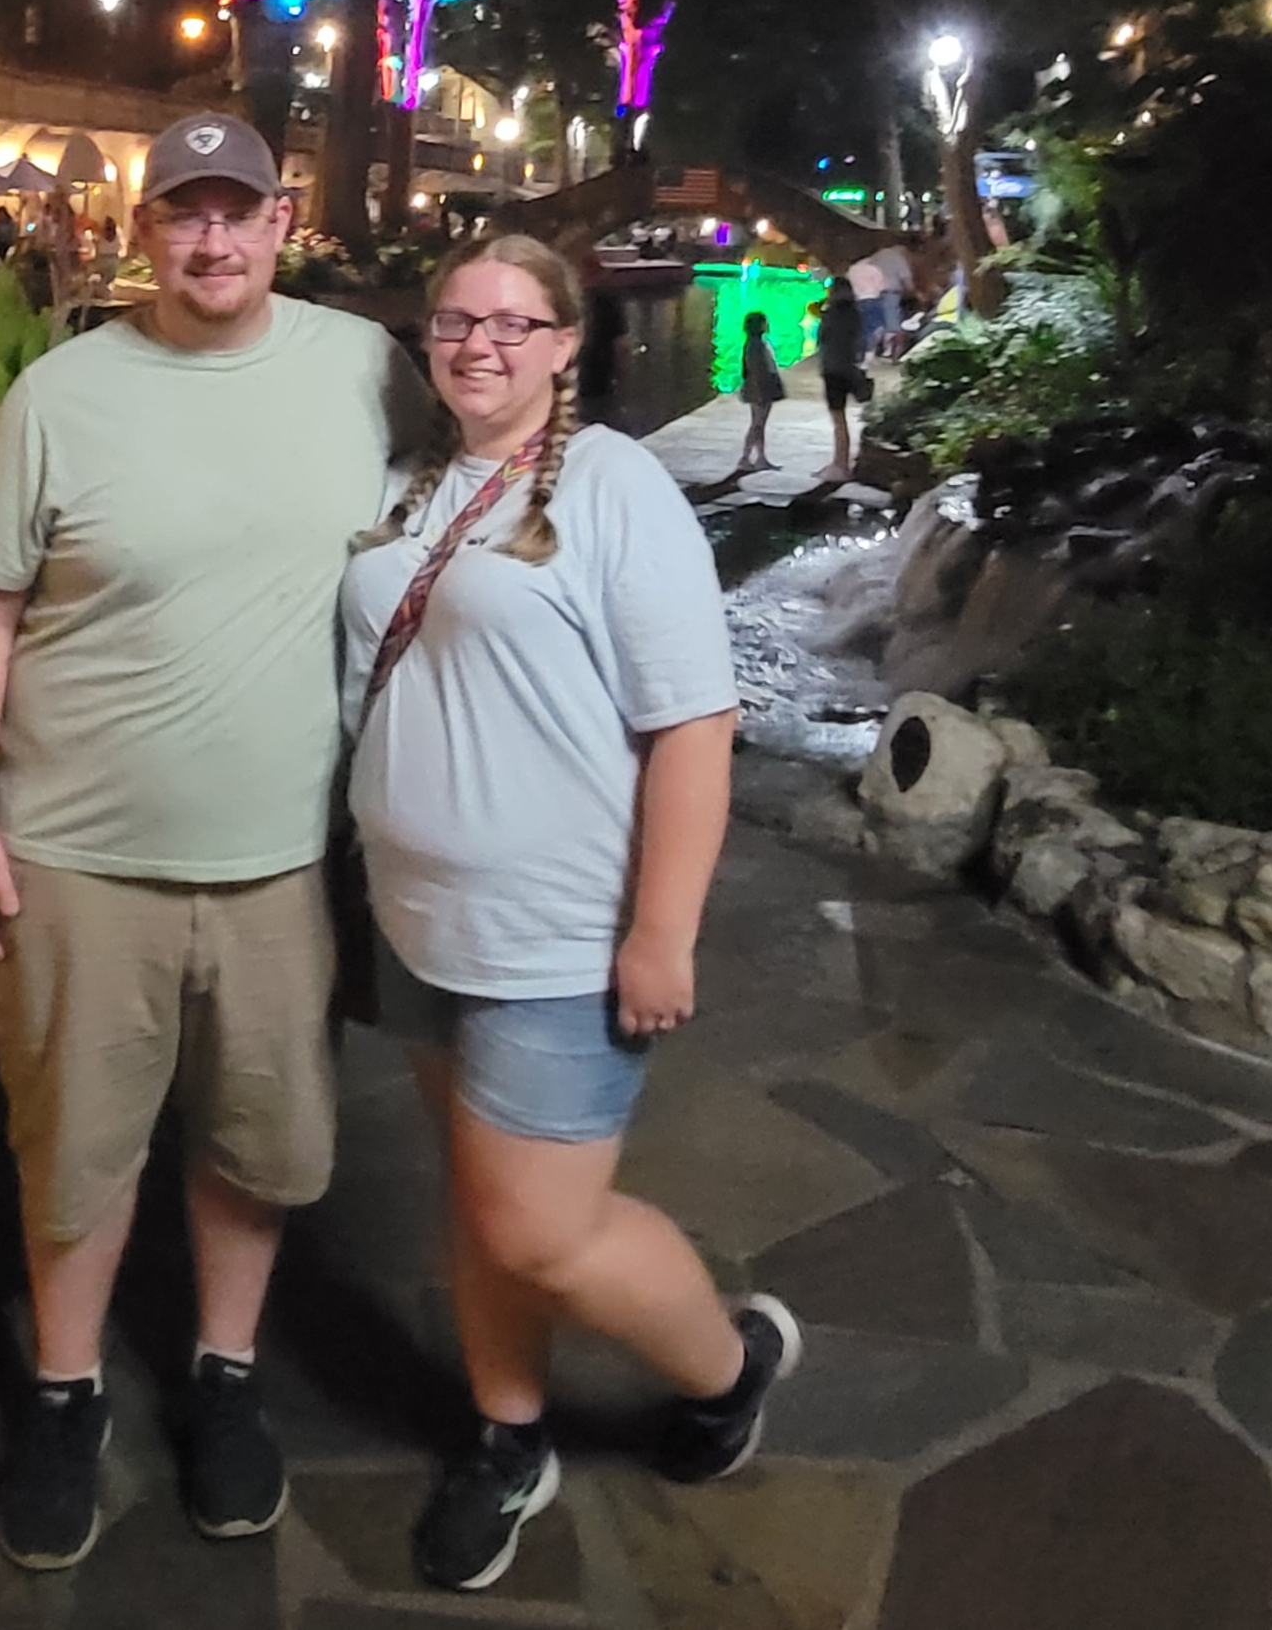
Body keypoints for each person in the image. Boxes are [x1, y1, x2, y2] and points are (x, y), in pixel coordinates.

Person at [0, 113, 426, 1574]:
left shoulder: (363, 370)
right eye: (181, 214)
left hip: (279, 862)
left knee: (252, 1148)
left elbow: (476, 490)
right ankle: (67, 1394)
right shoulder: (60, 394)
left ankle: (223, 1376)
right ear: (141, 232)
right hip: (75, 859)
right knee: (75, 1154)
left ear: (286, 223)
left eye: (239, 212)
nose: (212, 239)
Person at [340, 236, 803, 1595]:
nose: (477, 343)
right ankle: (506, 1431)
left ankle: (730, 1366)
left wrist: (661, 929)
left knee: (543, 1227)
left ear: (563, 345)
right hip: (415, 915)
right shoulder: (411, 486)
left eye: (511, 322)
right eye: (453, 322)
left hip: (556, 931)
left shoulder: (615, 489)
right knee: (484, 1208)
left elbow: (695, 725)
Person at [815, 275, 864, 484]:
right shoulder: (854, 314)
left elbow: (822, 338)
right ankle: (839, 462)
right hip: (848, 367)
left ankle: (840, 464)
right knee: (840, 419)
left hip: (833, 369)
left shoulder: (831, 314)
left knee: (838, 420)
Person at [737, 309, 782, 470]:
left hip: (760, 387)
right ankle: (747, 457)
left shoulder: (753, 344)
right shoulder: (756, 346)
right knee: (758, 424)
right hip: (761, 389)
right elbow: (757, 370)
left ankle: (758, 457)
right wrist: (759, 392)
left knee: (758, 424)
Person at [845, 251, 887, 361]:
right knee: (876, 326)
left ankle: (861, 352)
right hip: (873, 299)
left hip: (858, 300)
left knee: (862, 327)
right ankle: (870, 352)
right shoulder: (874, 269)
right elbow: (881, 286)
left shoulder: (851, 270)